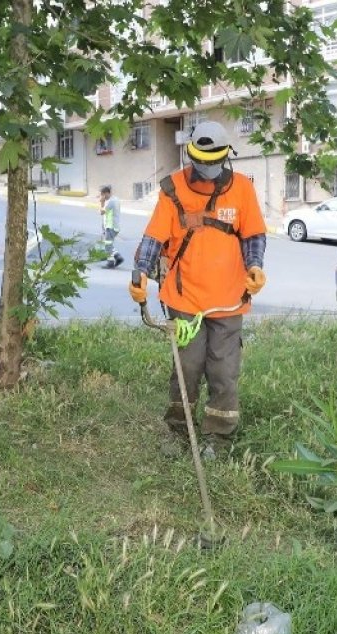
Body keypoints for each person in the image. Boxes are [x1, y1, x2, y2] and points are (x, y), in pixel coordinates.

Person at [128, 120, 267, 451]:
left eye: (212, 161)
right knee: (186, 367)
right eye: (200, 161)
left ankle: (219, 437)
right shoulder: (173, 189)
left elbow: (254, 235)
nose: (206, 168)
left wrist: (255, 266)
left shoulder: (242, 189)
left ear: (226, 156)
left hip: (229, 300)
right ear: (190, 156)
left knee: (224, 370)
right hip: (185, 298)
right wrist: (140, 272)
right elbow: (153, 238)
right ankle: (179, 432)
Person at [98, 185, 124, 268]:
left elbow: (102, 212)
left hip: (111, 226)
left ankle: (111, 262)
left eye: (102, 195)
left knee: (108, 245)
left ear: (106, 193)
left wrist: (101, 202)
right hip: (113, 226)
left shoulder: (111, 202)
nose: (102, 197)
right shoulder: (115, 200)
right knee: (108, 244)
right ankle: (117, 257)